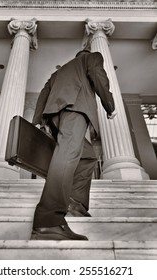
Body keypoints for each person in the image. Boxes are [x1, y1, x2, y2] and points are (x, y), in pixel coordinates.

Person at [31, 49, 116, 240]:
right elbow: (98, 75)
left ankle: (74, 203)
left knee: (87, 156)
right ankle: (48, 221)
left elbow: (44, 93)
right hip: (75, 109)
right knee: (67, 155)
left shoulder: (58, 72)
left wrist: (38, 121)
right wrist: (109, 106)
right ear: (85, 54)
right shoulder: (92, 58)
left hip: (54, 116)